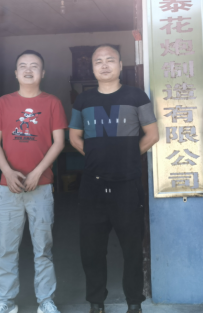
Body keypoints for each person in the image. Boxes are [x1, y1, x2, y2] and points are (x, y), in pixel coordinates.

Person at [69, 44, 159, 313]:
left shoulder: (136, 96)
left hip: (127, 184)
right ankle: (96, 303)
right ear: (92, 68)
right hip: (93, 186)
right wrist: (95, 156)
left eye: (110, 60)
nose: (104, 65)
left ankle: (134, 303)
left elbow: (152, 134)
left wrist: (127, 157)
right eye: (98, 61)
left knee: (132, 248)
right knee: (92, 249)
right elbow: (74, 137)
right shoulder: (83, 100)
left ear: (120, 66)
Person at [0, 50, 67, 313]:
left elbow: (59, 142)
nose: (28, 70)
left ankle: (46, 300)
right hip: (7, 188)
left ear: (42, 73)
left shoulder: (52, 103)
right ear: (16, 73)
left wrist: (37, 173)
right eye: (23, 66)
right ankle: (5, 301)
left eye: (34, 66)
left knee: (42, 248)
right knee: (7, 249)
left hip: (41, 187)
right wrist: (8, 172)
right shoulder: (3, 103)